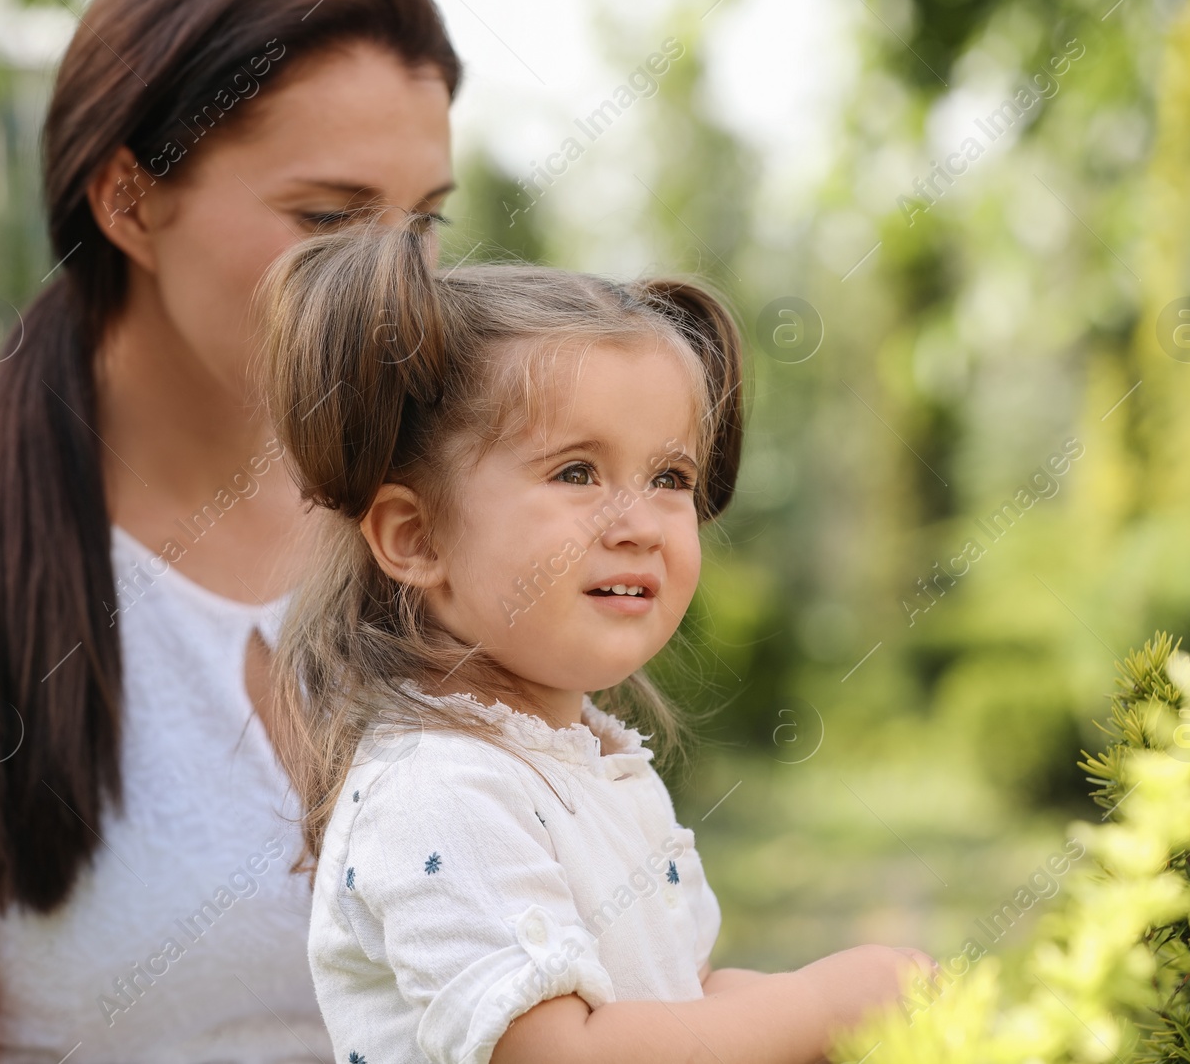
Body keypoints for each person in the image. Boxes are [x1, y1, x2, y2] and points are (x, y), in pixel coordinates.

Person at [0, 0, 460, 1059]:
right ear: (129, 199)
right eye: (329, 219)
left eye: (424, 222)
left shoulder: (434, 519)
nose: (397, 287)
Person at [255, 222, 939, 1064]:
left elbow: (682, 1002)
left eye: (670, 478)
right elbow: (563, 1052)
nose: (640, 523)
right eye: (577, 471)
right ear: (416, 535)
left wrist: (862, 1008)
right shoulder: (441, 789)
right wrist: (819, 1003)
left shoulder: (592, 762)